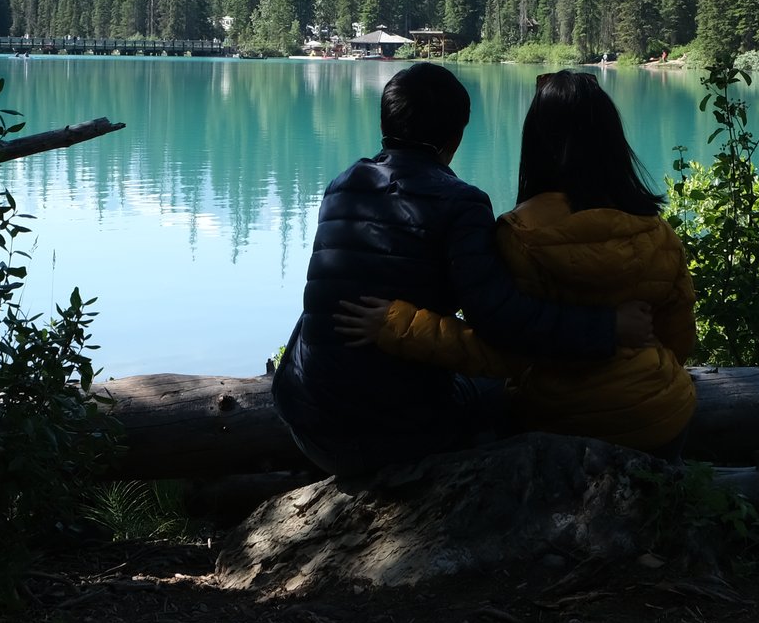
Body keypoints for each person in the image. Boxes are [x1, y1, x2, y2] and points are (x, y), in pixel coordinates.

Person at [270, 62, 655, 477]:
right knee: (507, 387)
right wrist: (605, 328)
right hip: (396, 438)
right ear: (455, 138)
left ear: (385, 121)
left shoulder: (343, 184)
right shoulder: (461, 203)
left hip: (305, 420)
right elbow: (502, 320)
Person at [336, 70, 697, 453]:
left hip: (557, 424)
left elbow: (500, 353)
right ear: (612, 143)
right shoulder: (657, 233)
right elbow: (679, 340)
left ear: (536, 143)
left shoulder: (521, 234)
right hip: (663, 420)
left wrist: (400, 324)